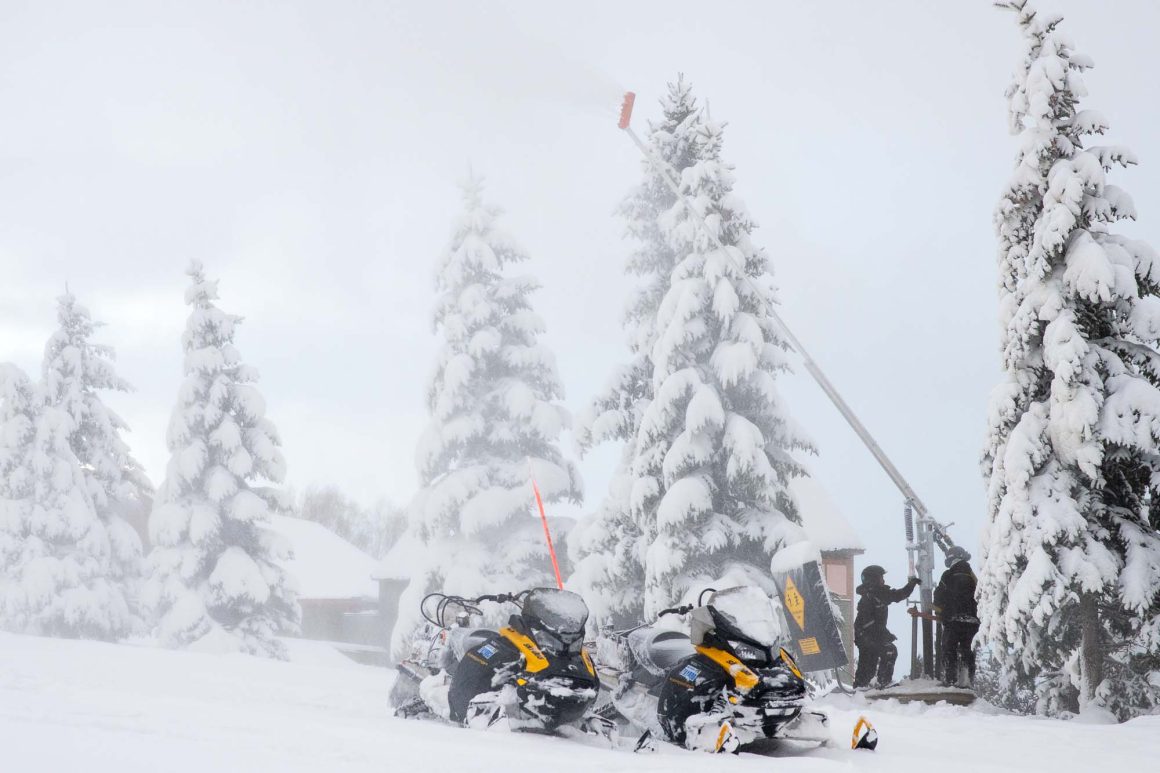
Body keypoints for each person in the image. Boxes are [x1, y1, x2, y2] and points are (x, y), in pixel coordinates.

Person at [853, 565, 918, 689]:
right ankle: (883, 682)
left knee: (869, 661)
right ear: (874, 579)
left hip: (867, 635)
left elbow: (898, 595)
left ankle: (861, 686)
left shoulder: (878, 593)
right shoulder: (871, 596)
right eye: (881, 577)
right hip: (866, 635)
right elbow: (868, 623)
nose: (883, 580)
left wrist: (912, 584)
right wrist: (884, 635)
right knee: (889, 651)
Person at [934, 546, 979, 688]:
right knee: (967, 649)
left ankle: (951, 680)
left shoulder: (948, 575)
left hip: (953, 619)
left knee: (949, 648)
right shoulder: (972, 576)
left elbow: (939, 595)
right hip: (972, 620)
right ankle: (968, 680)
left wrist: (940, 611)